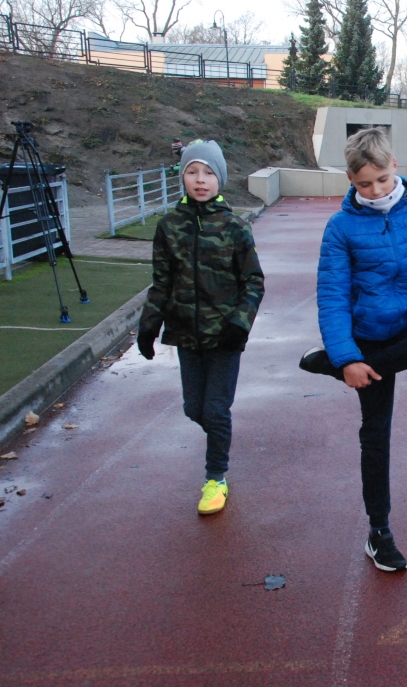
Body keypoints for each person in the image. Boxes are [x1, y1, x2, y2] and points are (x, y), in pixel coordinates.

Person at [299, 128, 407, 573]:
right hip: (367, 334)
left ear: (395, 168)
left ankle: (340, 368)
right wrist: (348, 355)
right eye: (364, 184)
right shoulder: (341, 227)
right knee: (376, 435)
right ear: (351, 182)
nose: (375, 190)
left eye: (382, 179)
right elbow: (332, 296)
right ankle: (380, 532)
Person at [136, 140, 265, 516]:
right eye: (192, 172)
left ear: (220, 178)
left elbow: (254, 282)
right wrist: (148, 325)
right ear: (183, 177)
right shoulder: (169, 226)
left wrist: (239, 324)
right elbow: (161, 282)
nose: (200, 179)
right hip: (185, 335)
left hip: (224, 336)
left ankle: (215, 477)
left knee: (215, 408)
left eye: (208, 172)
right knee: (194, 408)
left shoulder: (235, 227)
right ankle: (218, 444)